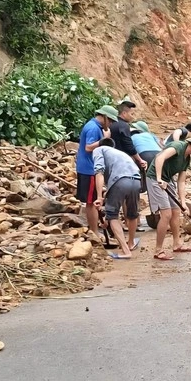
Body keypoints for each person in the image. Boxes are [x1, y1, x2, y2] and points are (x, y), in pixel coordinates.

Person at [146, 132, 191, 261]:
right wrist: (159, 179)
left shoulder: (187, 159)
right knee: (166, 214)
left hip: (167, 180)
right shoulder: (178, 146)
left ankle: (177, 244)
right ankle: (158, 250)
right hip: (155, 178)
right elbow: (160, 157)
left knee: (176, 211)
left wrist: (183, 203)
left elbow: (181, 182)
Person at [93, 138, 142, 259]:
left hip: (120, 181)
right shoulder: (120, 153)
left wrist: (99, 197)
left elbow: (99, 172)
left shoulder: (98, 150)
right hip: (136, 180)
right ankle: (130, 243)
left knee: (112, 215)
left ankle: (126, 252)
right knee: (132, 214)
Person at [76, 105, 118, 237]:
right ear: (105, 117)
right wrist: (104, 140)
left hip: (86, 167)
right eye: (110, 121)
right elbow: (89, 147)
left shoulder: (93, 126)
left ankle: (94, 229)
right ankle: (94, 231)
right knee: (92, 202)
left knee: (91, 201)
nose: (110, 124)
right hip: (89, 169)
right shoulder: (93, 128)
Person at [109, 96, 147, 172]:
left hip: (111, 159)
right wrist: (140, 160)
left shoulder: (112, 123)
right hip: (122, 160)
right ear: (124, 113)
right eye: (131, 114)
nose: (133, 117)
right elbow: (128, 146)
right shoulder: (124, 126)